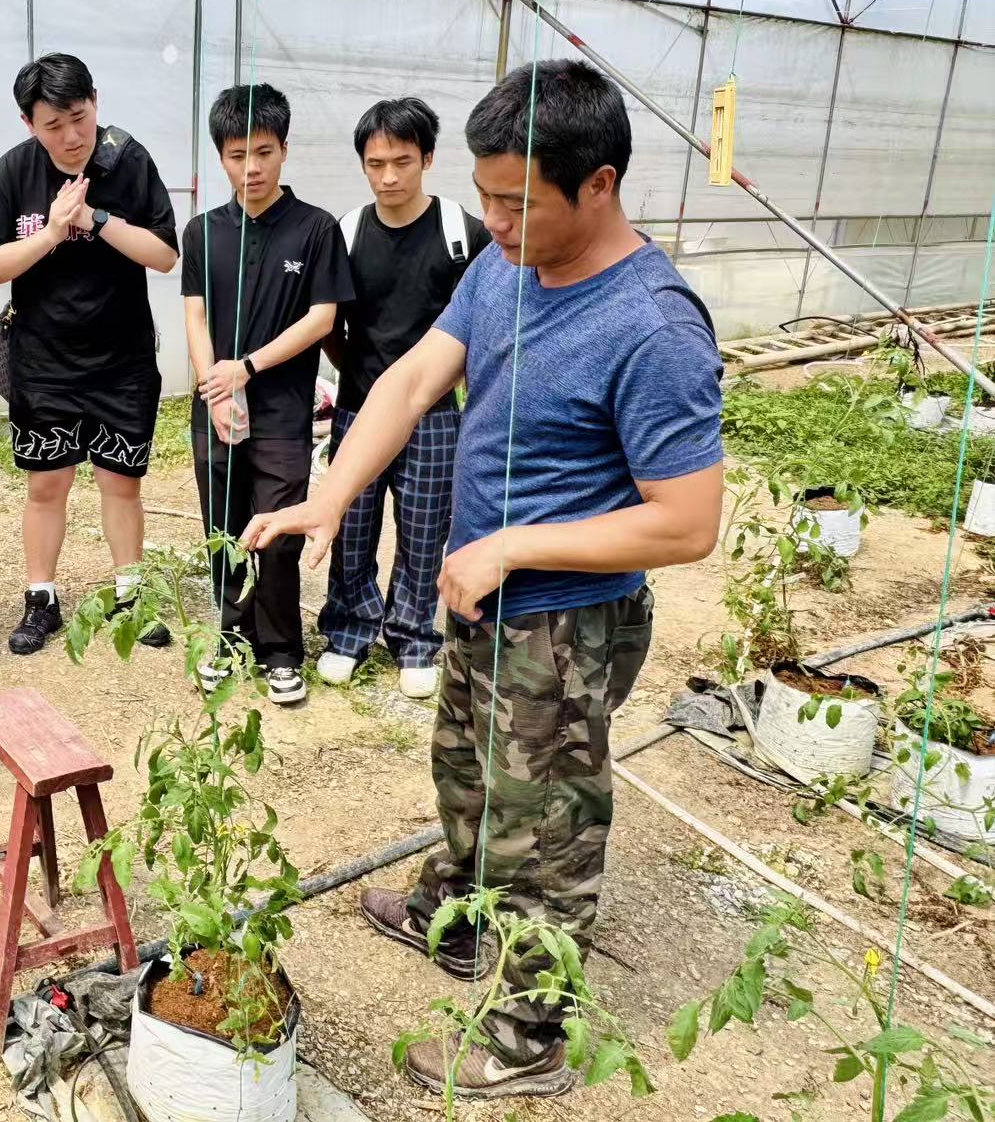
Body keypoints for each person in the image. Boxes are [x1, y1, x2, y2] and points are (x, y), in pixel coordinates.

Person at [245, 60, 724, 1099]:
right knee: (466, 770)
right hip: (479, 595)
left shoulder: (651, 325)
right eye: (487, 195)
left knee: (542, 828)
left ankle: (528, 1034)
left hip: (562, 622)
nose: (495, 221)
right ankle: (457, 916)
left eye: (518, 201)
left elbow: (688, 522)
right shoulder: (505, 263)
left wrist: (515, 545)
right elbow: (415, 376)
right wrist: (329, 498)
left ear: (598, 184)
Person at [0, 53, 181, 655]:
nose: (70, 137)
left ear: (96, 102)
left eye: (79, 118)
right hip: (44, 361)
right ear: (28, 123)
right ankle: (42, 598)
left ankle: (131, 597)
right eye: (53, 125)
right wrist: (52, 232)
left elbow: (166, 255)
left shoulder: (129, 160)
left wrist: (96, 217)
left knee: (122, 484)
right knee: (46, 485)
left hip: (122, 358)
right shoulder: (14, 170)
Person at [184, 84, 353, 705]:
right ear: (220, 157)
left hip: (282, 411)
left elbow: (321, 318)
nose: (250, 168)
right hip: (216, 407)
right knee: (224, 529)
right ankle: (231, 639)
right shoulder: (202, 231)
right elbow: (195, 315)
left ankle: (282, 650)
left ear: (284, 149)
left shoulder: (315, 228)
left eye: (263, 152)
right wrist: (213, 384)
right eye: (236, 155)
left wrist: (247, 369)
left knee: (278, 532)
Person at [316, 98, 491, 700]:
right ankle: (348, 629)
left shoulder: (463, 233)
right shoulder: (346, 233)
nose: (388, 177)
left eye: (402, 162)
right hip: (357, 406)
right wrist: (356, 377)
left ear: (428, 158)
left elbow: (478, 327)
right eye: (375, 164)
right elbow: (332, 325)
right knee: (351, 522)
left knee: (424, 529)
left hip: (436, 413)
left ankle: (414, 638)